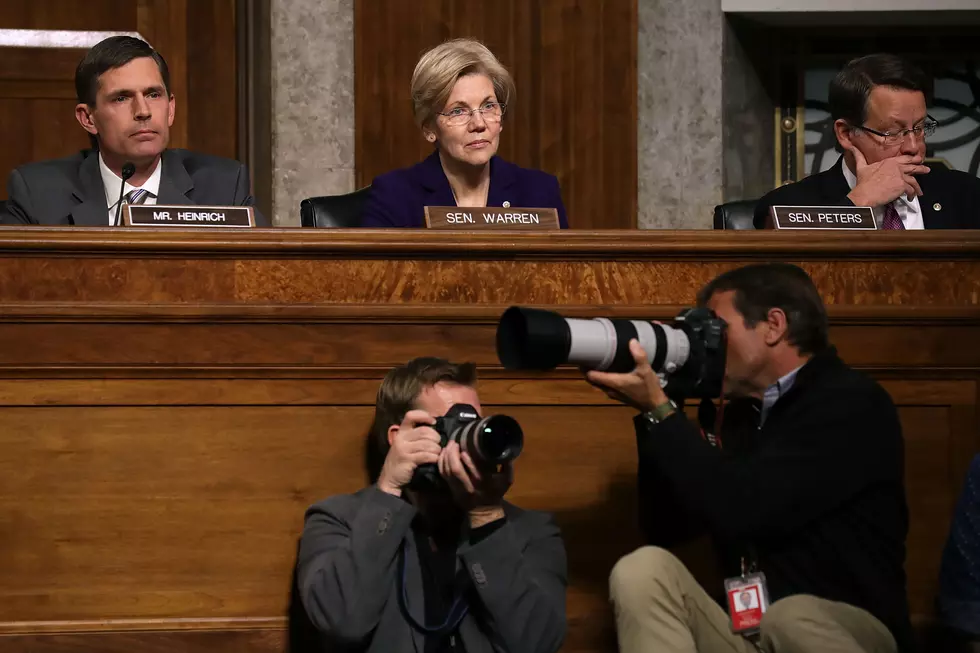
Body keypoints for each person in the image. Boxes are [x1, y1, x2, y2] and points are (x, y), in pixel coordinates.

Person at [586, 263, 912, 652]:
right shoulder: (737, 415)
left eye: (718, 329)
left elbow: (743, 506)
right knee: (642, 571)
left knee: (790, 618)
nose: (709, 345)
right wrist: (655, 412)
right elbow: (667, 526)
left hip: (846, 633)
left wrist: (662, 413)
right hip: (751, 634)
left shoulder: (850, 404)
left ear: (773, 326)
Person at [296, 357, 567, 653]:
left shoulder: (531, 531)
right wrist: (389, 488)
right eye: (450, 427)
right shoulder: (337, 520)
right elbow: (341, 623)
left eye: (474, 427)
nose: (465, 445)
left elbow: (537, 645)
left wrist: (486, 516)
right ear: (399, 439)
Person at [1, 36, 267, 226]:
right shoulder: (37, 193)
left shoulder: (223, 188)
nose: (143, 111)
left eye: (153, 94)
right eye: (121, 98)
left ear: (170, 109)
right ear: (87, 118)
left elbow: (260, 282)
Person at [754, 53, 980, 230]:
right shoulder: (789, 205)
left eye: (919, 128)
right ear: (846, 133)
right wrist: (859, 203)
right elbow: (786, 277)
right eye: (892, 133)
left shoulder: (966, 195)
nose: (914, 147)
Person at [361, 39, 568, 228]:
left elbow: (565, 269)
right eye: (458, 111)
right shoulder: (395, 196)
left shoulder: (539, 192)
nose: (479, 124)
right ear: (429, 128)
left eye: (488, 107)